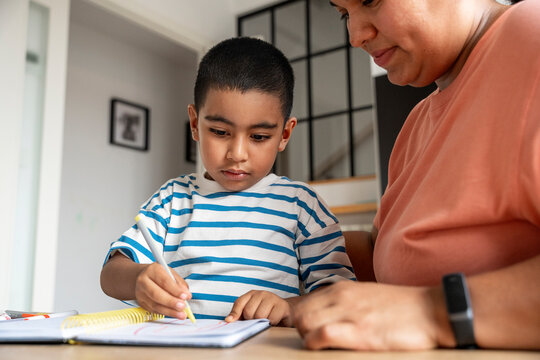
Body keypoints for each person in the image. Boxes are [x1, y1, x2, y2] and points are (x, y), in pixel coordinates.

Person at [293, 0, 540, 350]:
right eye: (345, 14)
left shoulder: (531, 35)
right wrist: (267, 241)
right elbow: (384, 254)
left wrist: (432, 311)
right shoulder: (417, 123)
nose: (356, 36)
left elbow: (415, 304)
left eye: (370, 1)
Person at [100, 37, 356, 326]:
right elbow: (111, 274)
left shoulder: (301, 205)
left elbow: (340, 295)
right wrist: (138, 279)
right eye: (220, 132)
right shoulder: (173, 199)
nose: (237, 154)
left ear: (284, 134)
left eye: (259, 137)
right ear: (195, 125)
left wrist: (288, 308)